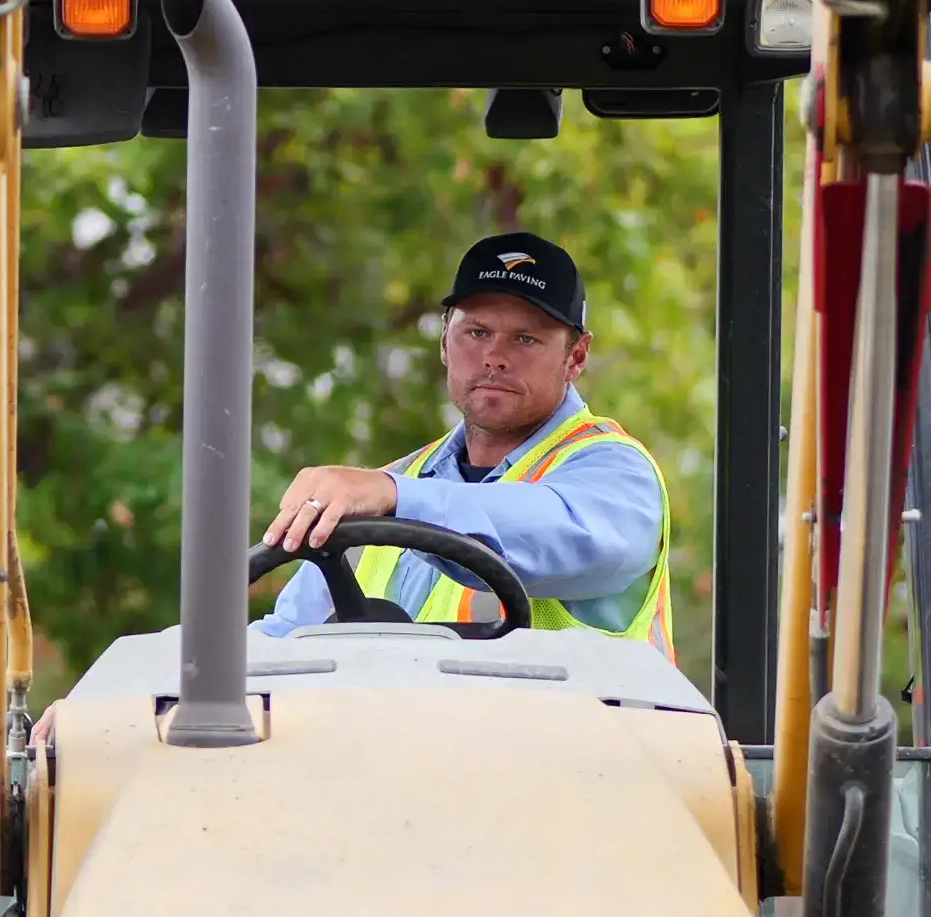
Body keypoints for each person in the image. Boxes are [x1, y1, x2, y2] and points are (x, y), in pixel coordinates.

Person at [258, 231, 674, 653]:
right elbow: (282, 638)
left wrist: (395, 496)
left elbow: (554, 537)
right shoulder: (385, 490)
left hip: (565, 720)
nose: (495, 356)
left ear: (577, 356)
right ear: (444, 340)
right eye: (476, 333)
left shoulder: (617, 476)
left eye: (525, 338)